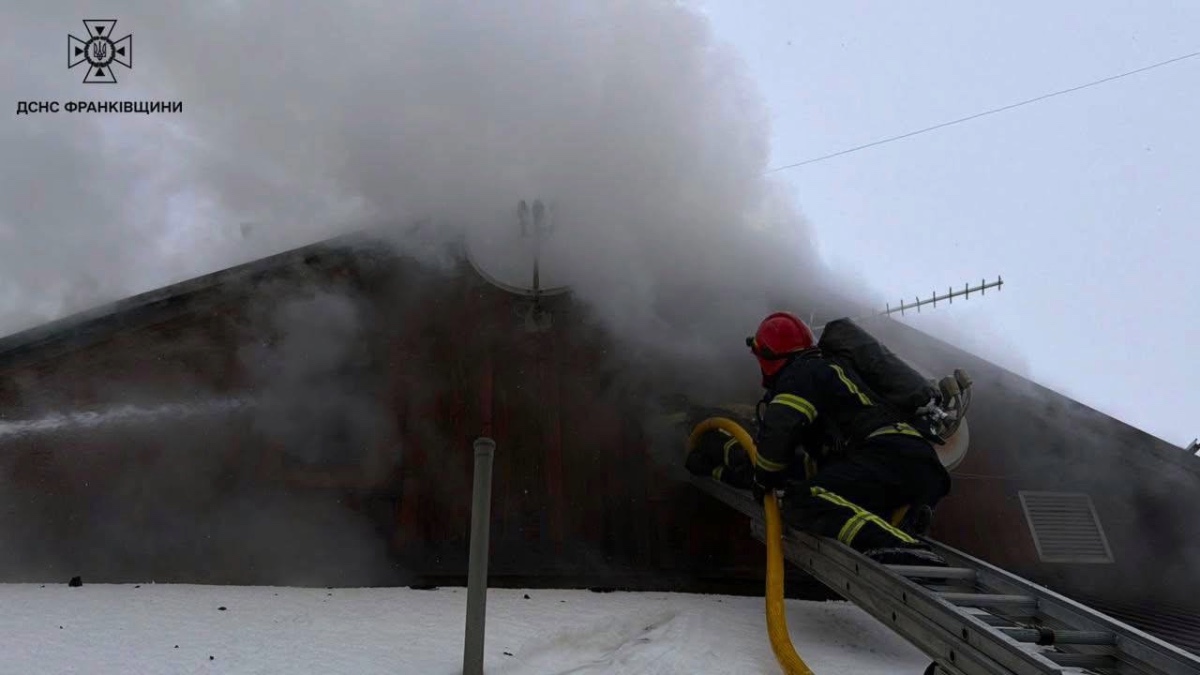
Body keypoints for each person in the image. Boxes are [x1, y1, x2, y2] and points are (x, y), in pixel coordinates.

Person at [746, 311, 952, 566]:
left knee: (802, 501)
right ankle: (906, 523)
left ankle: (896, 544)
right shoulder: (835, 371)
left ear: (768, 356)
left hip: (886, 456)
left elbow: (779, 431)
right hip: (918, 461)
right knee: (841, 497)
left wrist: (762, 479)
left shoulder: (801, 374)